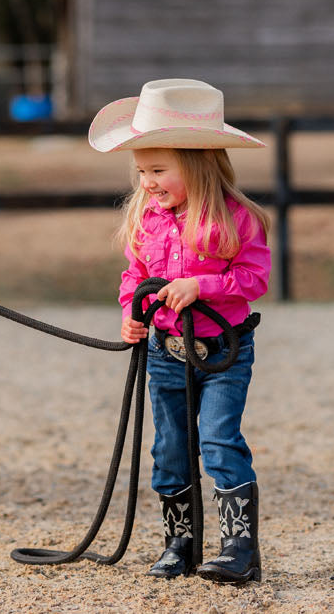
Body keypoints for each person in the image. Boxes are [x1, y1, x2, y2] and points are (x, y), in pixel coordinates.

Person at [88, 78, 272, 585]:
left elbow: (254, 278)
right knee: (169, 448)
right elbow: (135, 276)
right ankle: (181, 543)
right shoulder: (146, 220)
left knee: (218, 439)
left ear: (197, 164)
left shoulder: (236, 220)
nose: (147, 181)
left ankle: (240, 549)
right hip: (166, 351)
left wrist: (202, 285)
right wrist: (132, 310)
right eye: (142, 170)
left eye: (158, 170)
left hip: (223, 353)